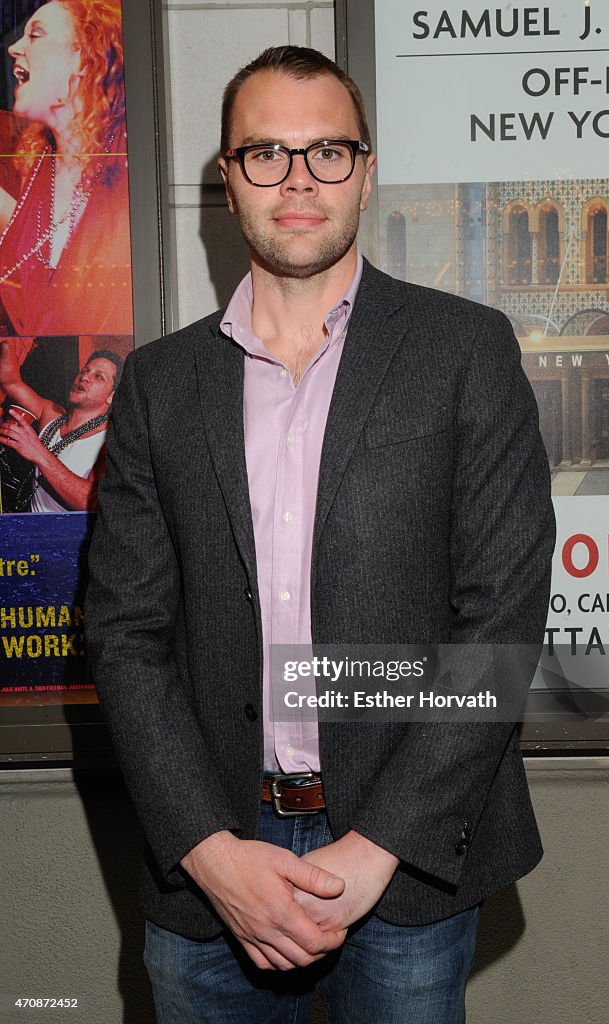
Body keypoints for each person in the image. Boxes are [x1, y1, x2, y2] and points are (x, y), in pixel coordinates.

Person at [85, 46, 555, 1023]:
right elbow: (125, 636)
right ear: (228, 178)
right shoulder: (158, 387)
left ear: (367, 170)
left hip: (406, 859)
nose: (299, 179)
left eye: (328, 151)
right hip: (210, 860)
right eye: (266, 153)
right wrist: (212, 854)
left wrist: (375, 846)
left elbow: (500, 625)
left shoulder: (465, 351)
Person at [0, 0, 132, 336]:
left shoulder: (127, 168)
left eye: (36, 35)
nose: (14, 48)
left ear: (84, 60)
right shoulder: (37, 168)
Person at [0, 338, 121, 511]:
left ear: (112, 396)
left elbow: (91, 501)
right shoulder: (52, 415)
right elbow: (10, 381)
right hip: (30, 530)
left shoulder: (109, 440)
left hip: (67, 536)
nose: (85, 377)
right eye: (85, 370)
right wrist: (7, 340)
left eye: (98, 376)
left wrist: (37, 452)